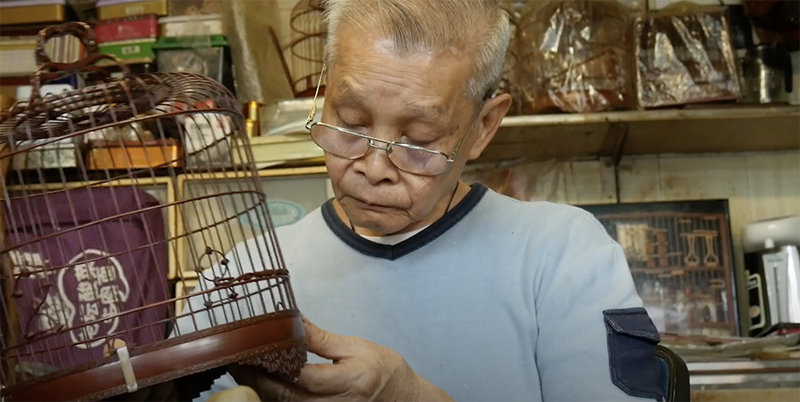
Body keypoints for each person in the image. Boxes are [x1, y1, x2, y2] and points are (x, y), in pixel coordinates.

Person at [121, 0, 664, 401]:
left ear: (483, 127)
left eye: (419, 143)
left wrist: (409, 396)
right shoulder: (249, 271)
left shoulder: (562, 256)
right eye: (349, 123)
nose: (373, 169)